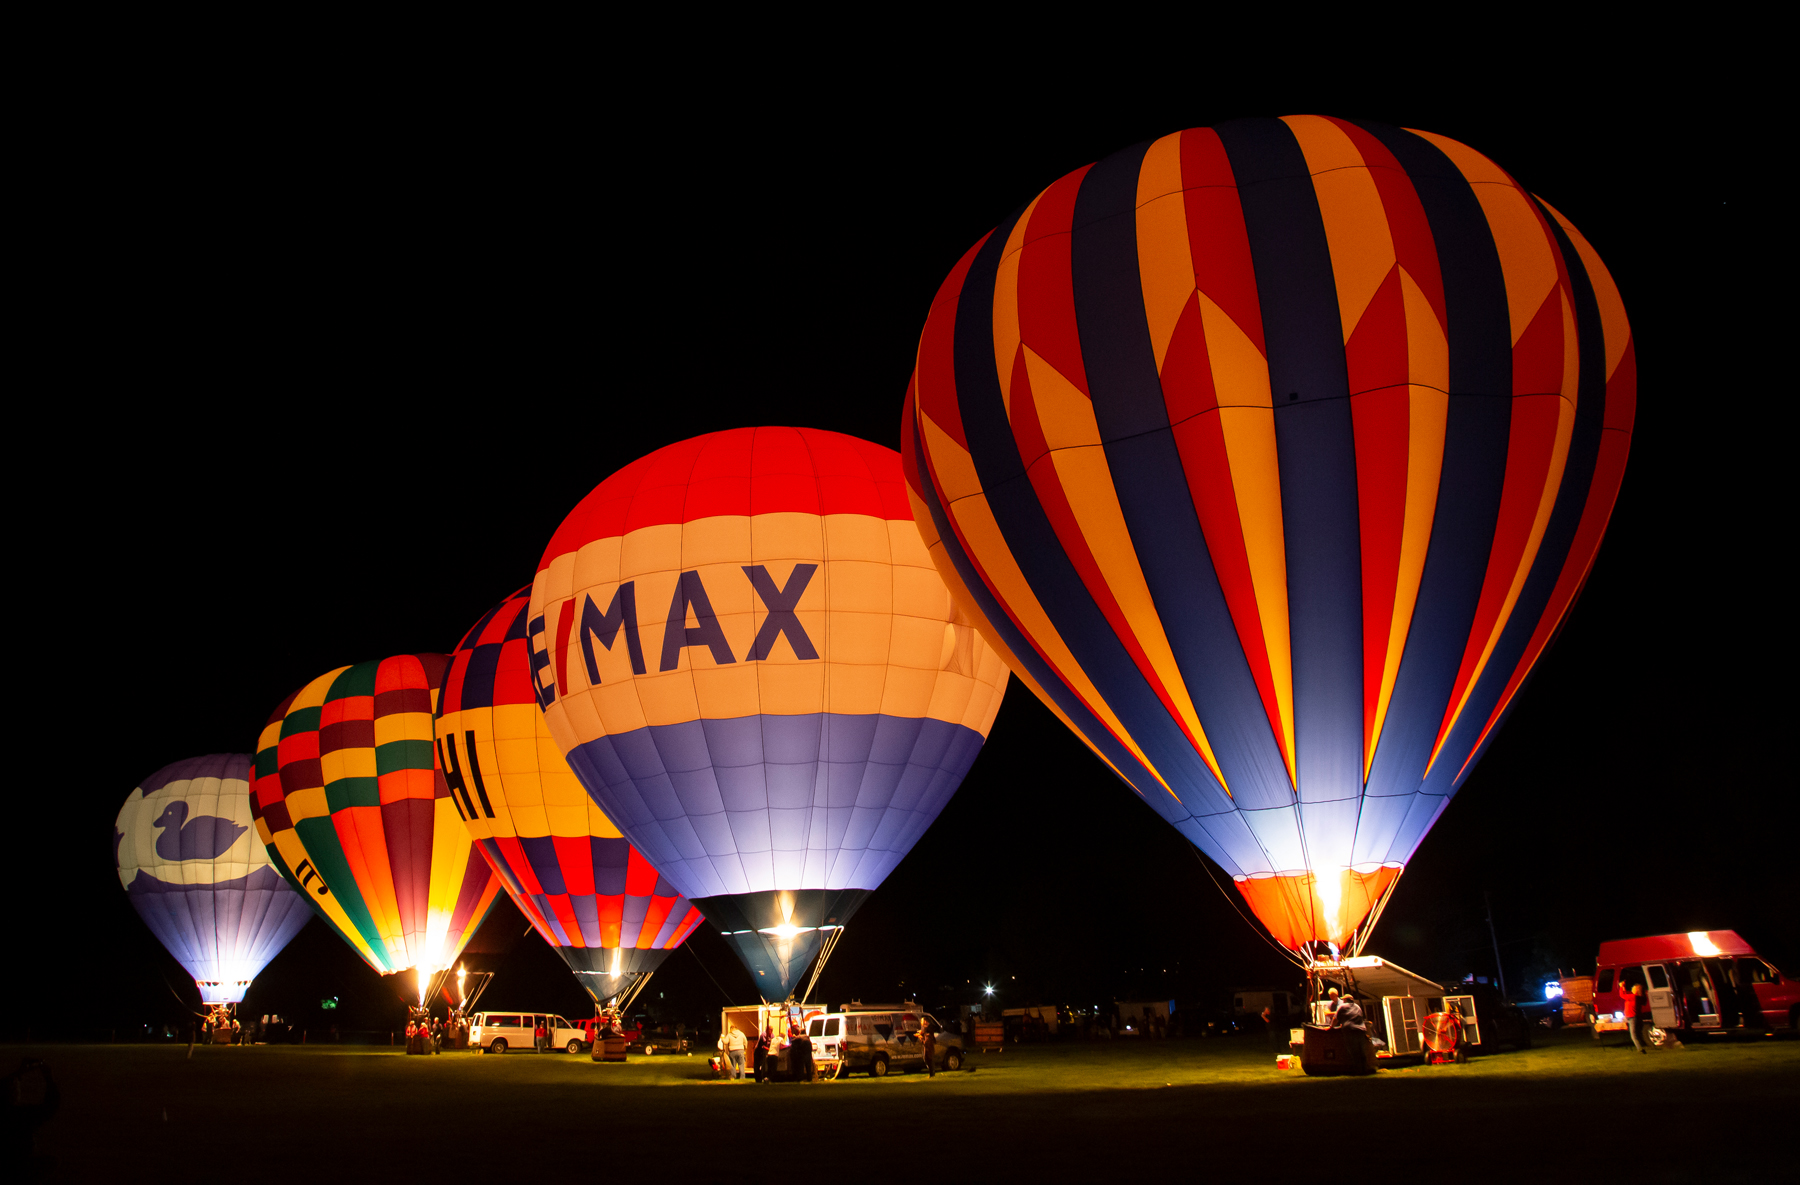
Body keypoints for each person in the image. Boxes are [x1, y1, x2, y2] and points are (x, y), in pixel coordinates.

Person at [1623, 983, 1648, 1053]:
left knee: (1633, 1035)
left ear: (1636, 990)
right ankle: (1643, 1046)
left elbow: (1622, 995)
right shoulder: (1639, 997)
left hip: (1632, 1017)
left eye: (1633, 988)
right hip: (1636, 1016)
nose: (1631, 989)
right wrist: (1623, 988)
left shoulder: (1633, 997)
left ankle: (1640, 1049)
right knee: (1638, 1033)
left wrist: (1621, 987)